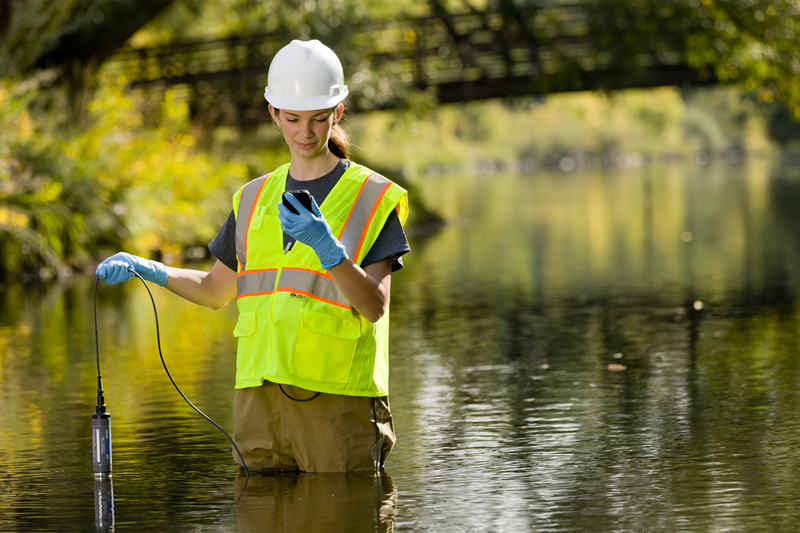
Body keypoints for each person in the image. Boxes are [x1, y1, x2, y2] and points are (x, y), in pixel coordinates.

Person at [95, 39, 410, 473]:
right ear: (273, 114)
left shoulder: (372, 197)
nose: (305, 132)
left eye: (319, 119)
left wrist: (328, 249)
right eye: (293, 118)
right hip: (257, 403)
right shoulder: (251, 198)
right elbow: (213, 291)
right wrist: (147, 268)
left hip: (339, 404)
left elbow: (374, 306)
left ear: (337, 112)